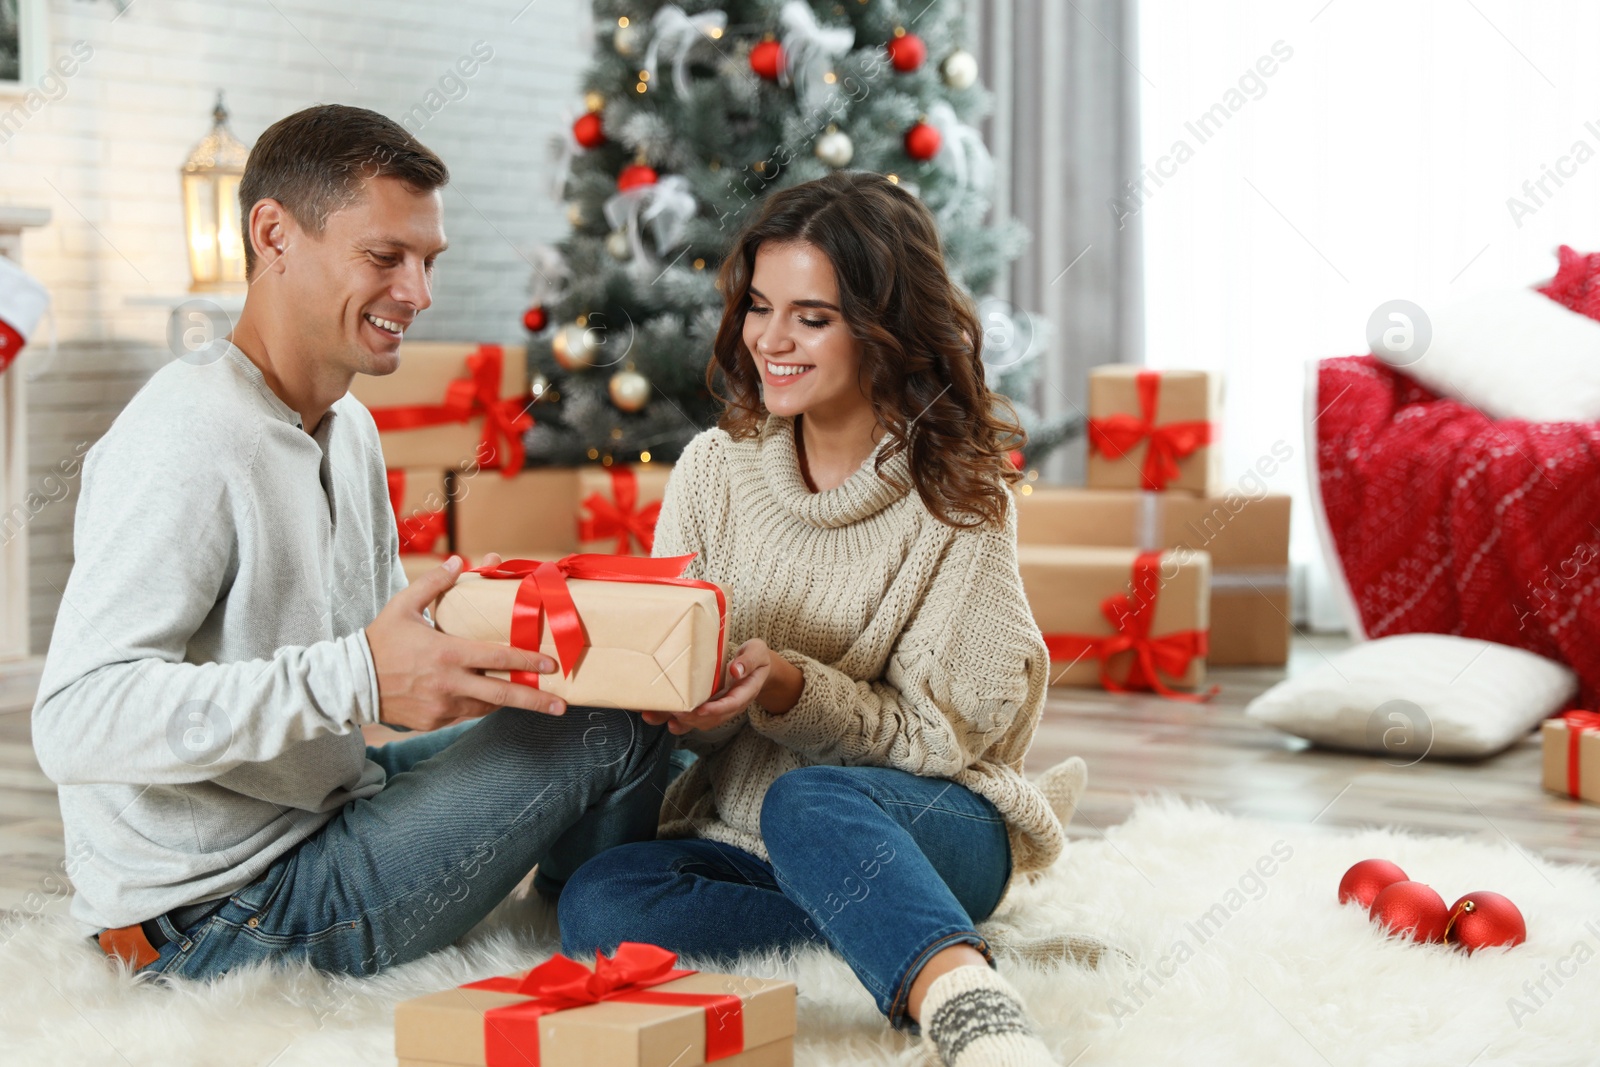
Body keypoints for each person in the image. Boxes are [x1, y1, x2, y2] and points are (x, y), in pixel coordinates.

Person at [29, 104, 671, 981]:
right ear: (273, 234)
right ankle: (577, 937)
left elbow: (374, 638)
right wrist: (358, 675)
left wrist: (552, 626)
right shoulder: (183, 439)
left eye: (427, 261)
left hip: (324, 803)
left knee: (629, 697)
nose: (419, 293)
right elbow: (74, 721)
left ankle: (569, 922)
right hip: (221, 913)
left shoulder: (349, 426)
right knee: (610, 732)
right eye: (385, 258)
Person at [558, 171, 1080, 1067]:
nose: (771, 339)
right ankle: (891, 929)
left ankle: (966, 1002)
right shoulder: (713, 473)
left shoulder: (958, 498)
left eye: (812, 315)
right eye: (760, 306)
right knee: (599, 902)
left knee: (812, 798)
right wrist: (684, 705)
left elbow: (937, 739)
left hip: (928, 815)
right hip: (748, 834)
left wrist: (792, 688)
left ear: (884, 327)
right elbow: (682, 695)